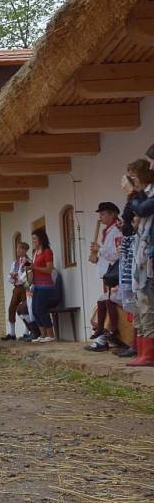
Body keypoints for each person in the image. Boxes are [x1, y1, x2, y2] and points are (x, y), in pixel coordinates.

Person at [126, 150, 154, 367]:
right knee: (143, 304)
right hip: (142, 257)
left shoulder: (148, 195)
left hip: (148, 256)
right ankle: (143, 352)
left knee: (148, 305)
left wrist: (133, 194)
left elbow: (143, 209)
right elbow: (129, 219)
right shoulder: (145, 193)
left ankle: (148, 354)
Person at [85, 202, 124, 352]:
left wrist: (100, 249)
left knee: (109, 300)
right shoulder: (107, 231)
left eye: (103, 214)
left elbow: (117, 254)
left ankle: (110, 334)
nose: (100, 217)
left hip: (114, 274)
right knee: (104, 300)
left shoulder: (117, 230)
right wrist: (95, 255)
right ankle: (103, 334)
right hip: (106, 273)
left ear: (112, 214)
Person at [27, 228, 56, 343]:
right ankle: (43, 335)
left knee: (41, 309)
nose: (33, 241)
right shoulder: (34, 253)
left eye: (35, 238)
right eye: (32, 239)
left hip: (46, 286)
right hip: (37, 285)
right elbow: (33, 269)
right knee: (34, 310)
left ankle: (50, 334)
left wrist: (34, 267)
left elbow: (49, 269)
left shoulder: (47, 251)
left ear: (41, 239)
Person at [2, 241, 31, 340]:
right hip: (17, 288)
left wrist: (17, 276)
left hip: (24, 287)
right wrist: (12, 276)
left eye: (20, 248)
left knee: (24, 310)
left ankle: (27, 332)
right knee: (11, 308)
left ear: (25, 250)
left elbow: (28, 276)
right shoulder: (15, 263)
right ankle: (12, 333)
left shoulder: (28, 262)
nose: (18, 250)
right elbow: (10, 278)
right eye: (17, 248)